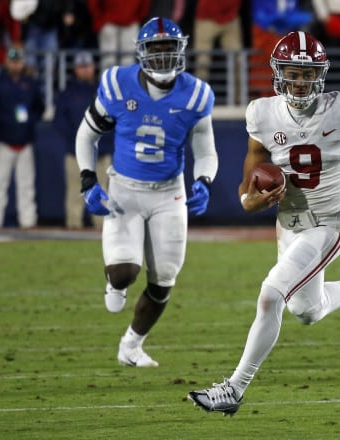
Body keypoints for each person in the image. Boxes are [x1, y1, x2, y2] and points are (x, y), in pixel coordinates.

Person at [187, 31, 340, 416]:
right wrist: (250, 200)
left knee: (271, 294)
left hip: (327, 224)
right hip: (288, 224)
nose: (301, 81)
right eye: (294, 72)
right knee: (308, 311)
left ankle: (234, 389)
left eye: (308, 74)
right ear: (279, 73)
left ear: (320, 76)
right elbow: (249, 176)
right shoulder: (263, 112)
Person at [75, 17, 219, 367]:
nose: (164, 58)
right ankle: (116, 282)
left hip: (169, 193)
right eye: (156, 51)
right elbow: (86, 135)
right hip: (124, 189)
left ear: (181, 51)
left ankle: (131, 345)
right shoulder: (118, 84)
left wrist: (203, 182)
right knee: (124, 272)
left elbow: (206, 151)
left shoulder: (196, 94)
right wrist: (88, 180)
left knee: (164, 279)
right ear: (142, 53)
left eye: (170, 50)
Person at [54, 50, 111, 229]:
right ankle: (73, 225)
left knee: (102, 191)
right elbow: (59, 121)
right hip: (75, 152)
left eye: (87, 66)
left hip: (101, 151)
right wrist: (79, 142)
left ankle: (101, 227)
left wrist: (104, 142)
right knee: (74, 191)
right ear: (76, 69)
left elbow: (115, 119)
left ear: (93, 68)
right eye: (81, 66)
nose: (85, 70)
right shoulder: (68, 93)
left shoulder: (104, 91)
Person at [0, 47, 44, 228]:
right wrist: (7, 121)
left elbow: (40, 107)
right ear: (7, 62)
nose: (15, 65)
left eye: (18, 61)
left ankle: (28, 222)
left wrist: (29, 121)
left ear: (23, 62)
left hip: (25, 141)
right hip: (3, 141)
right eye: (12, 61)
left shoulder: (30, 83)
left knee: (26, 184)